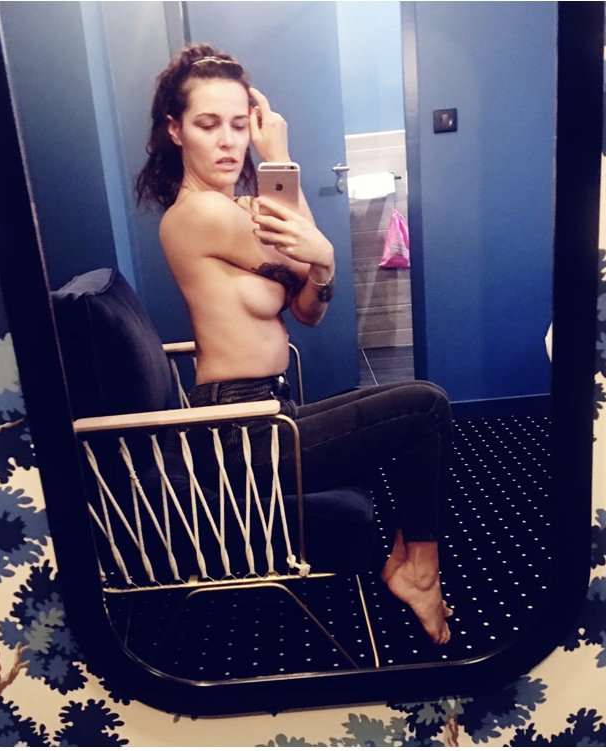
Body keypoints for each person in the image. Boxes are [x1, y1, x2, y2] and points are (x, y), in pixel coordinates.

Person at [136, 43, 454, 644]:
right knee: (424, 408)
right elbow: (303, 260)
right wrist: (280, 161)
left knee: (419, 409)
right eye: (208, 124)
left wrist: (324, 266)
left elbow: (310, 308)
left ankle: (410, 563)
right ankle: (418, 571)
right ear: (175, 131)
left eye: (239, 125)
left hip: (269, 413)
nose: (228, 142)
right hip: (238, 436)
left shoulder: (239, 208)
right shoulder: (200, 216)